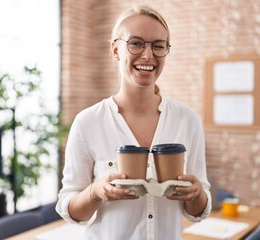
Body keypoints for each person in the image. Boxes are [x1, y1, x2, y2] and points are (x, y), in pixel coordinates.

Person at [56, 4, 211, 240]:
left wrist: (197, 193)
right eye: (136, 43)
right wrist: (96, 191)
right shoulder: (87, 122)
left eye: (158, 45)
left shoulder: (188, 121)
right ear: (116, 50)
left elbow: (197, 211)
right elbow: (71, 209)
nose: (148, 55)